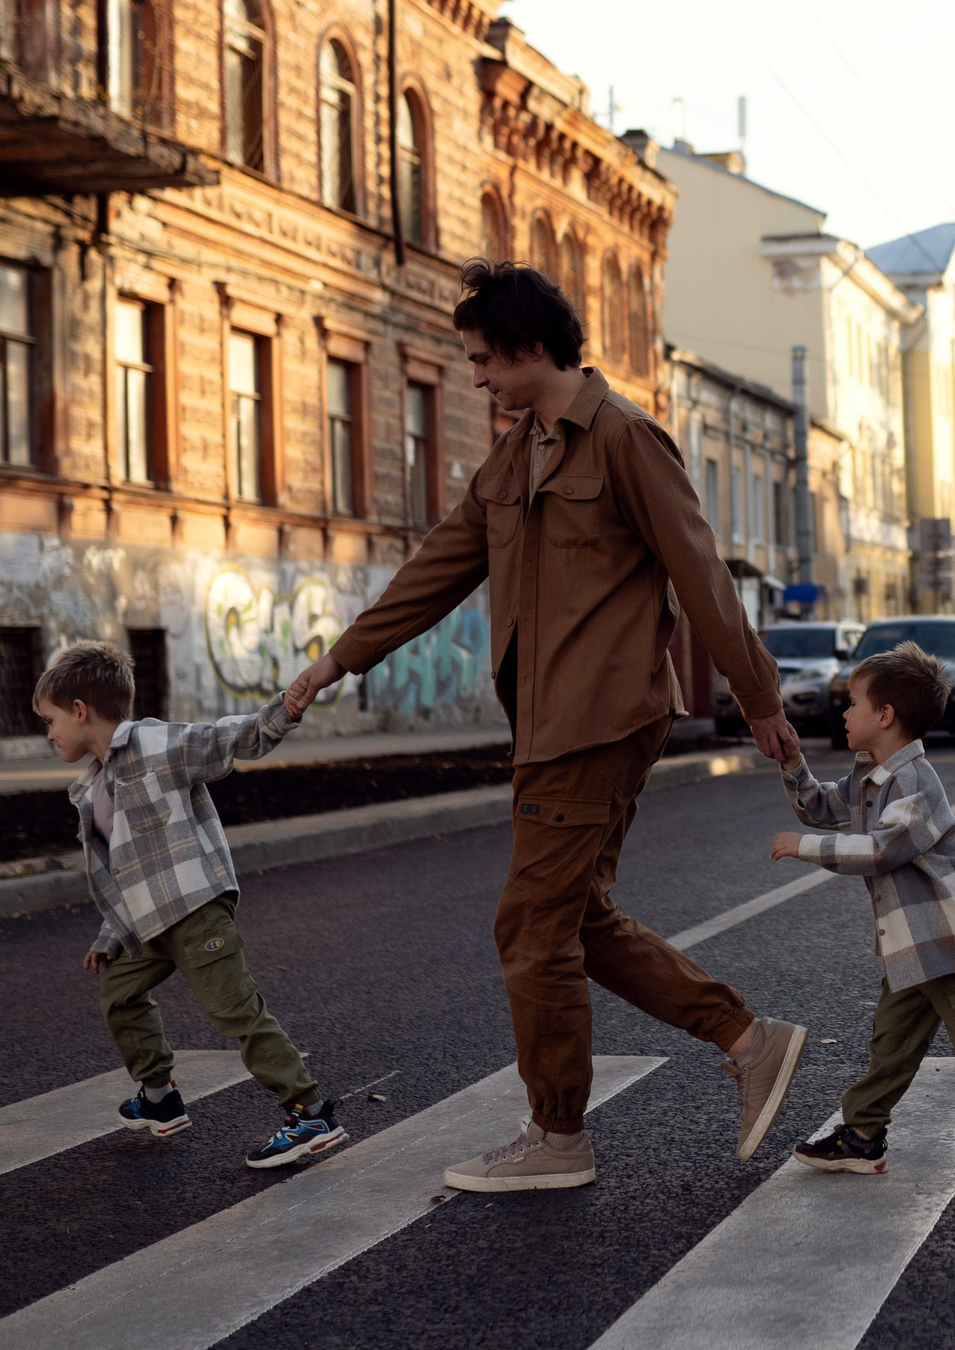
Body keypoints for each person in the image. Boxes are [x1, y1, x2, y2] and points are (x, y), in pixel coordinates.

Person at [281, 260, 810, 1193]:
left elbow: (702, 575)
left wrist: (758, 698)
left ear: (531, 350)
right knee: (577, 920)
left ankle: (559, 1135)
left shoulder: (624, 438)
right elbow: (444, 560)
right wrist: (338, 659)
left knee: (529, 928)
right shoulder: (519, 452)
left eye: (486, 360)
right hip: (547, 723)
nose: (477, 378)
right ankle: (747, 1037)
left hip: (598, 720)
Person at [770, 643, 955, 1188]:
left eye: (853, 702)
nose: (843, 712)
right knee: (891, 1045)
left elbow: (883, 849)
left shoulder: (914, 782)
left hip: (949, 940)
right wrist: (793, 763)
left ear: (885, 717)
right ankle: (862, 1137)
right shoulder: (871, 777)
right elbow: (820, 806)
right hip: (912, 944)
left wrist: (803, 847)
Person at [42, 640, 345, 1170]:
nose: (48, 734)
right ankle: (160, 1098)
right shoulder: (93, 785)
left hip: (196, 907)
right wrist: (111, 936)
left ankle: (311, 1112)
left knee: (235, 1012)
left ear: (80, 711)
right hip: (148, 922)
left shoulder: (155, 743)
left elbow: (230, 738)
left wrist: (286, 707)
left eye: (50, 721)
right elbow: (124, 868)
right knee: (119, 993)